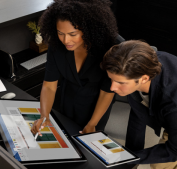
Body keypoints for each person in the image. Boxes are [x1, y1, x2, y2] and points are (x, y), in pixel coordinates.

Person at [31, 0, 118, 136]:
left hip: (97, 104)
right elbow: (49, 85)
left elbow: (107, 92)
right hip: (68, 99)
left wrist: (92, 124)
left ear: (88, 29)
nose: (66, 40)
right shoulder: (56, 46)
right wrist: (44, 115)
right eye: (60, 33)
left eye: (73, 34)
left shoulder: (109, 49)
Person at [101, 40, 177, 168]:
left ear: (144, 79)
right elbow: (138, 114)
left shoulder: (174, 104)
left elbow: (176, 150)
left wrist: (129, 158)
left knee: (162, 165)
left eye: (120, 83)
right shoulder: (141, 64)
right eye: (112, 79)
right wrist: (130, 157)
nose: (112, 87)